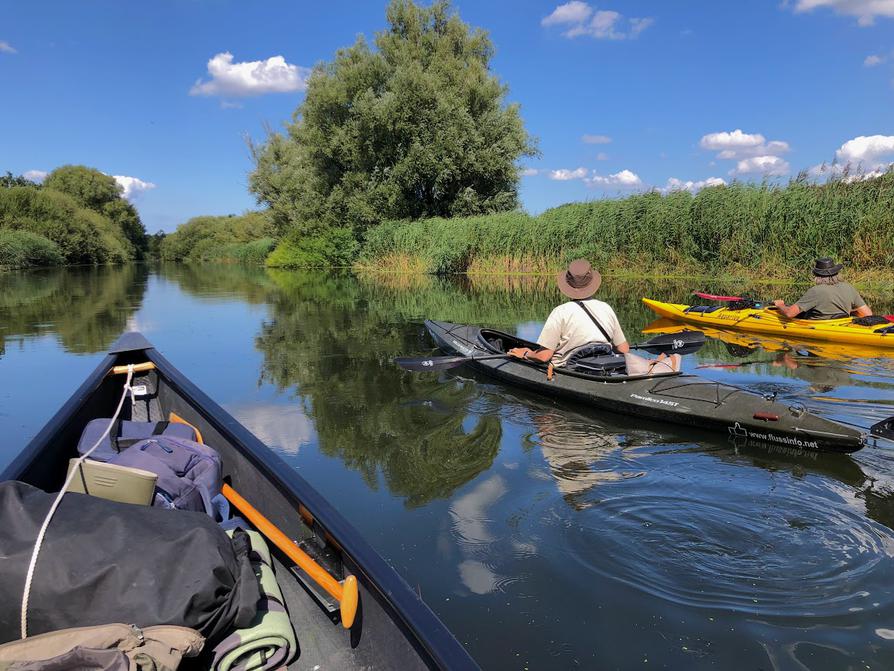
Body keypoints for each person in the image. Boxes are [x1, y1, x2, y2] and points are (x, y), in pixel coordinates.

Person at [508, 259, 680, 374]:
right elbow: (624, 349)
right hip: (604, 366)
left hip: (571, 369)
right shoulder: (606, 308)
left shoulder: (560, 312)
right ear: (591, 283)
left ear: (567, 285)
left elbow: (544, 357)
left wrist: (525, 354)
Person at [772, 257, 872, 319]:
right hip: (841, 324)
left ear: (817, 276)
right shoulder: (849, 287)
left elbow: (789, 314)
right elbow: (868, 314)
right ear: (836, 273)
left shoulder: (816, 291)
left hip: (818, 327)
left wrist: (780, 305)